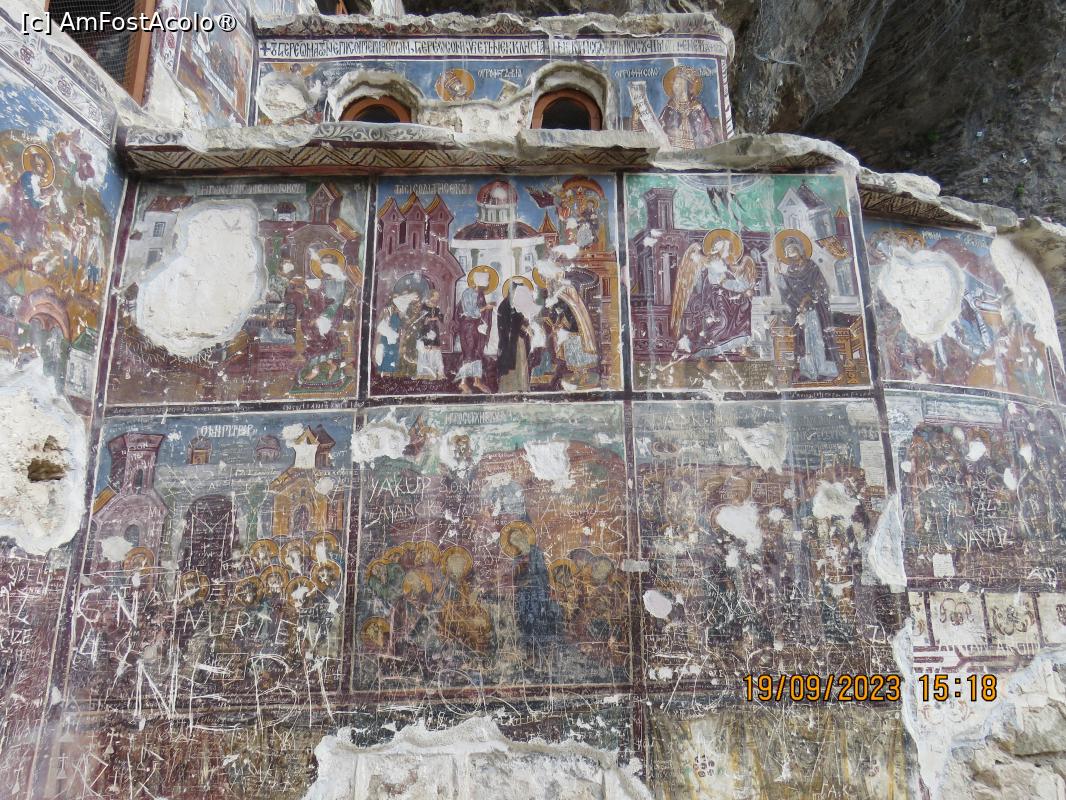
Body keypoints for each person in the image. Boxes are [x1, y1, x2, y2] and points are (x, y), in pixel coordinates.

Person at [671, 232, 756, 373]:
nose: (729, 251)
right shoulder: (714, 263)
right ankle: (702, 359)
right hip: (715, 300)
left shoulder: (723, 263)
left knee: (745, 305)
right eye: (727, 248)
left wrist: (745, 288)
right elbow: (724, 283)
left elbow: (733, 280)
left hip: (725, 296)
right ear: (720, 249)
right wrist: (744, 289)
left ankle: (743, 347)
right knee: (722, 323)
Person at [776, 233, 841, 381]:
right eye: (788, 252)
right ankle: (808, 370)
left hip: (815, 310)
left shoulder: (811, 266)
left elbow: (821, 286)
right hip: (801, 312)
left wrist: (808, 297)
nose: (791, 254)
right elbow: (788, 292)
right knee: (804, 341)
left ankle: (824, 369)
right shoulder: (790, 271)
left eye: (793, 250)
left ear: (799, 250)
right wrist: (779, 276)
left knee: (818, 339)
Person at [658, 66, 722, 150]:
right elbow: (659, 127)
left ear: (687, 87)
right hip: (674, 148)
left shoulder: (697, 108)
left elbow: (708, 130)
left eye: (679, 83)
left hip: (696, 149)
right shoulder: (670, 107)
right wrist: (670, 131)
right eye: (675, 83)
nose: (675, 86)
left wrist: (703, 138)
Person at [454, 272, 493, 393]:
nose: (487, 282)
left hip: (476, 327)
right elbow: (470, 311)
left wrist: (487, 310)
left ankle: (477, 381)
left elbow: (481, 312)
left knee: (477, 353)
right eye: (486, 279)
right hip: (468, 326)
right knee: (468, 354)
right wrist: (486, 308)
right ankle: (463, 383)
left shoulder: (480, 293)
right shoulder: (468, 293)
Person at [415, 290, 446, 380]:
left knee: (436, 351)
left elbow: (441, 318)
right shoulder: (424, 306)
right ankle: (426, 373)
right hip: (426, 330)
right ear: (431, 296)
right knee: (426, 351)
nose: (437, 298)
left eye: (438, 296)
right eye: (436, 296)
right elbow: (421, 319)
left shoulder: (436, 307)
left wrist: (444, 315)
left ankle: (440, 373)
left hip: (434, 330)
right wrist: (426, 321)